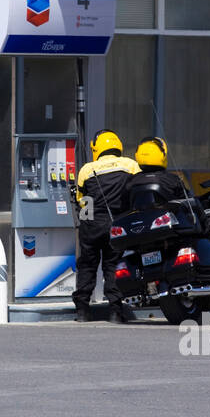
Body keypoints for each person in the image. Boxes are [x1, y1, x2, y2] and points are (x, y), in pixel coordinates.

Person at [72, 129, 140, 322]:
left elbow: (80, 200)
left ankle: (82, 311)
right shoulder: (131, 165)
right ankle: (116, 312)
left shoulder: (86, 169)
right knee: (113, 266)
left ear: (97, 148)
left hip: (91, 222)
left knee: (87, 265)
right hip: (118, 223)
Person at [127, 136, 189, 207]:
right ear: (163, 155)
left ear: (137, 155)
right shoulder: (173, 180)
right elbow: (187, 203)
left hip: (138, 218)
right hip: (167, 217)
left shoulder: (131, 181)